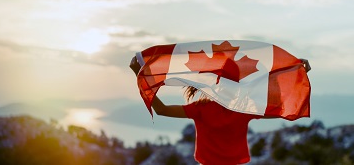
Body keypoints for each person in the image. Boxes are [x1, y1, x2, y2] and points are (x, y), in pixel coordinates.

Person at [130, 56, 311, 165]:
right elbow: (279, 108)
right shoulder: (243, 109)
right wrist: (299, 74)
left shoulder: (201, 108)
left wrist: (140, 75)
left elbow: (161, 110)